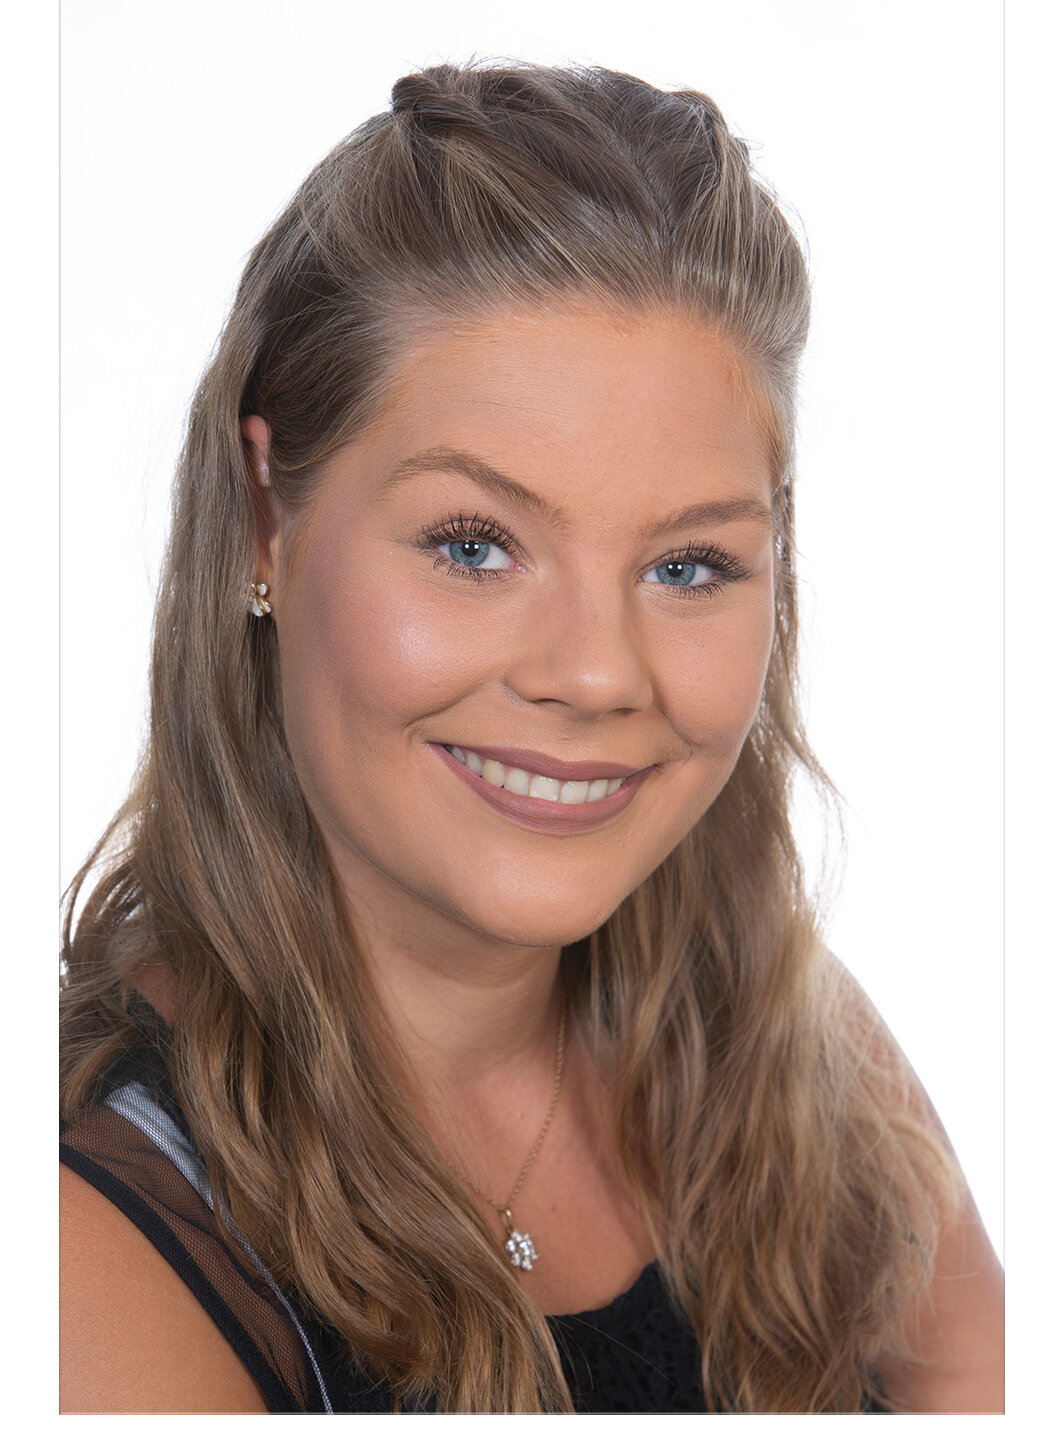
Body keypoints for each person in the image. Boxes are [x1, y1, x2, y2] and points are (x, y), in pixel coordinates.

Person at [59, 60, 1003, 1414]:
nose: (597, 673)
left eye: (687, 565)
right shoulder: (79, 1247)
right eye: (473, 545)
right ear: (268, 520)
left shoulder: (789, 1043)